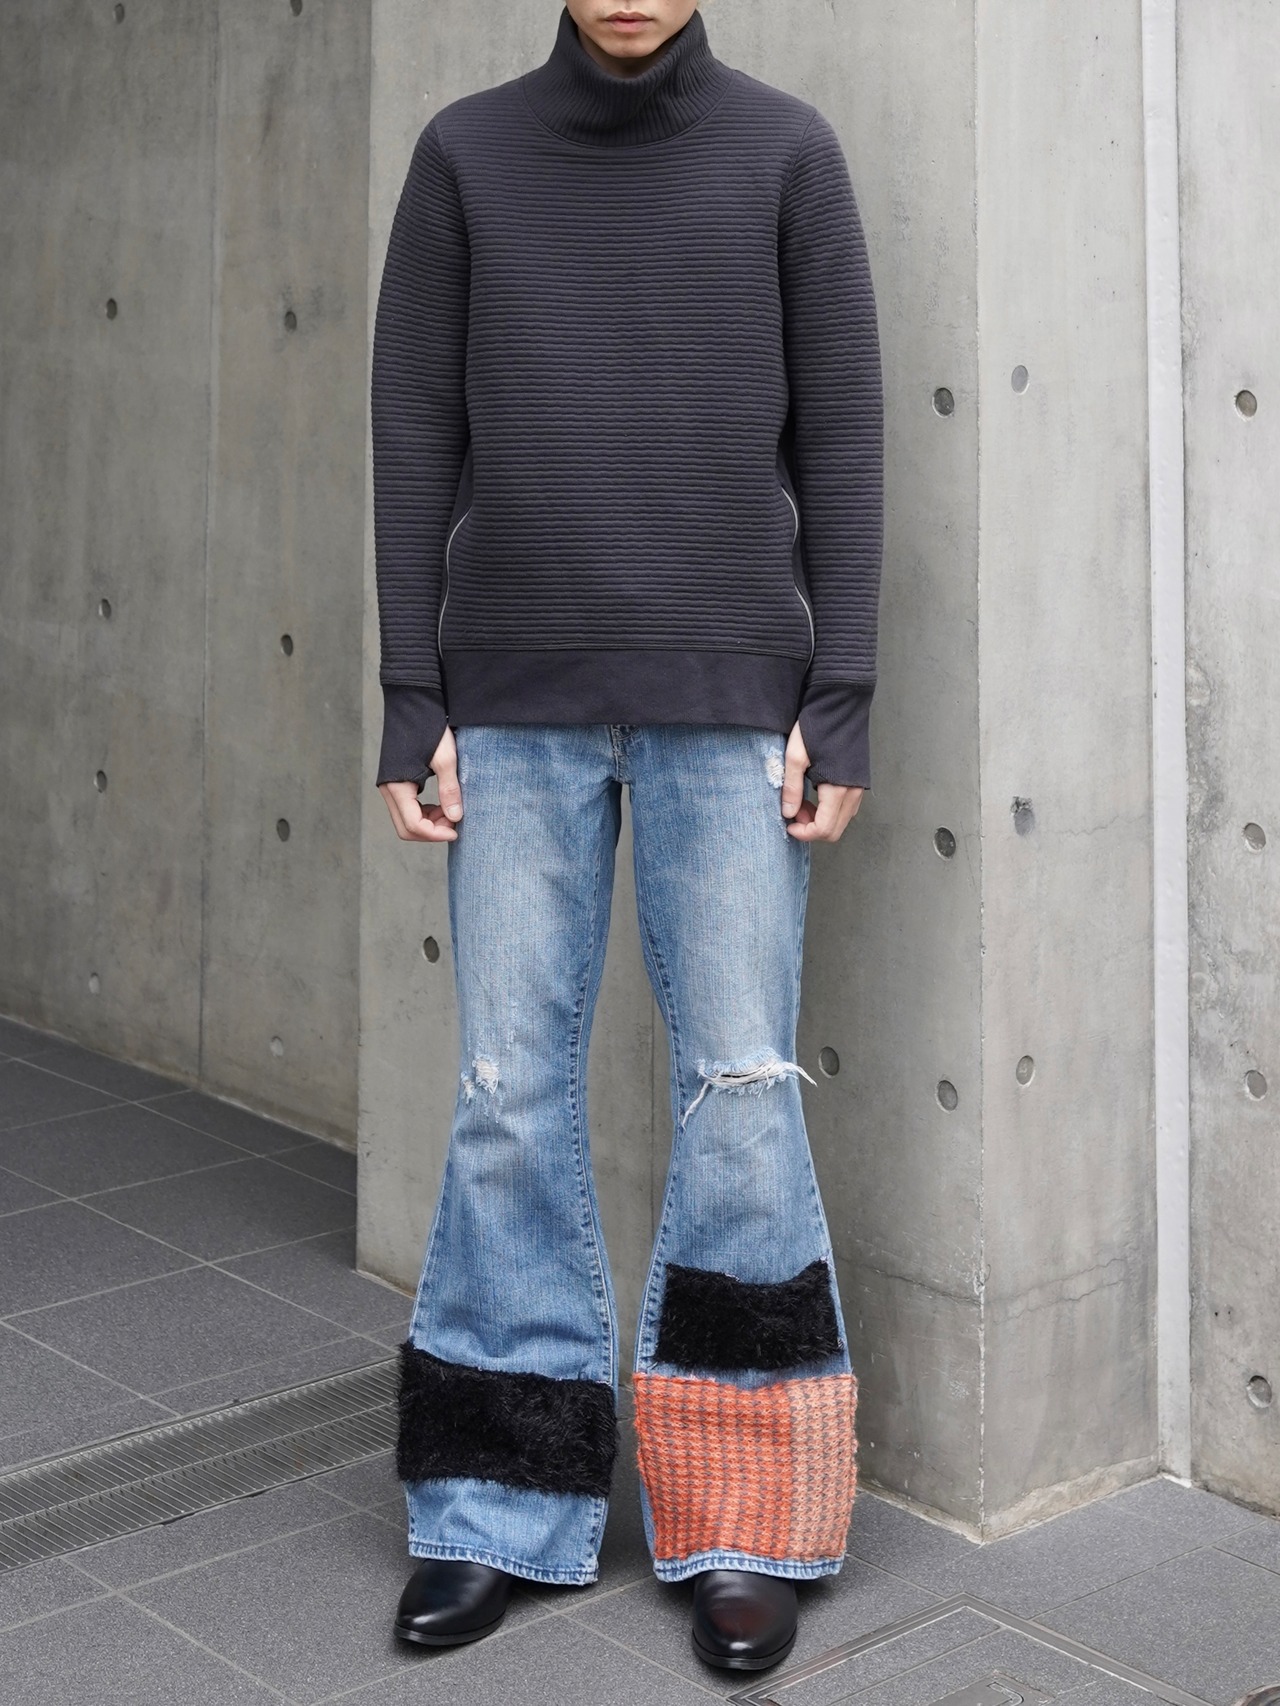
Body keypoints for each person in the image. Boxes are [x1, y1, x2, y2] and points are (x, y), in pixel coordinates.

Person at [371, 0, 882, 1675]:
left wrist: (842, 696)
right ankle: (495, 1499)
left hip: (731, 703)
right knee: (506, 1093)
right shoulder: (465, 156)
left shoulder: (786, 154)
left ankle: (744, 1513)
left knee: (740, 1087)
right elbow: (413, 426)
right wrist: (408, 691)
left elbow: (845, 433)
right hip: (510, 700)